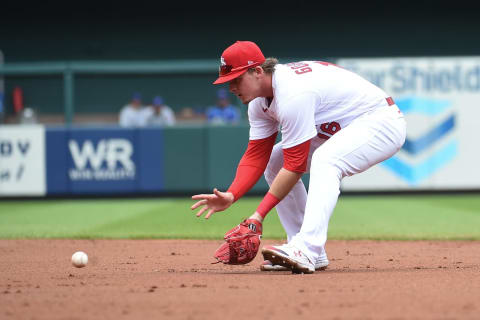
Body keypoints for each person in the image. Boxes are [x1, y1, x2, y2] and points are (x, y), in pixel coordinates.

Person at [191, 41, 406, 274]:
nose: (231, 87)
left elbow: (295, 166)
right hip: (339, 128)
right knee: (275, 161)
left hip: (380, 121)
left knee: (326, 160)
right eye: (227, 81)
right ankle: (301, 247)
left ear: (258, 71)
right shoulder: (259, 104)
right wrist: (233, 194)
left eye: (236, 79)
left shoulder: (292, 93)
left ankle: (307, 248)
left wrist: (257, 216)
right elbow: (256, 155)